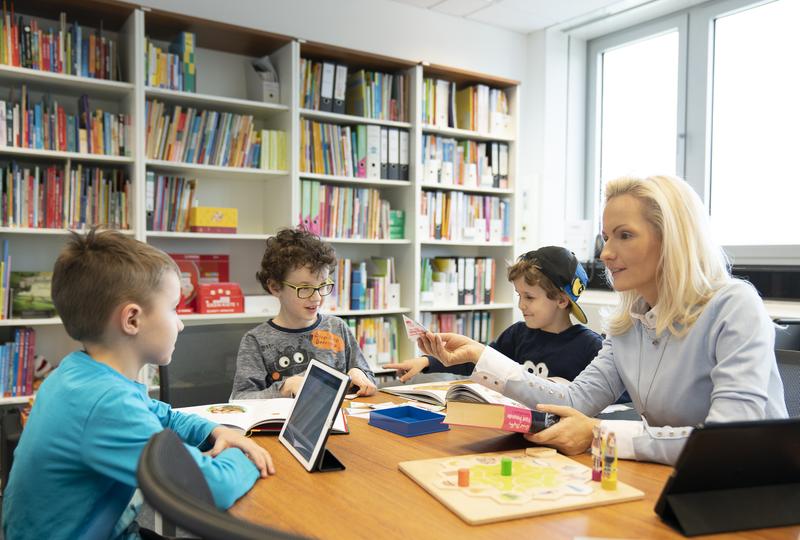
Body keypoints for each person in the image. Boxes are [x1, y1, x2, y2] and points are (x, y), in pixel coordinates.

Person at [418, 175, 787, 465]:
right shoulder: (630, 323)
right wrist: (481, 356)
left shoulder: (734, 306)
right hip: (674, 484)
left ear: (672, 238)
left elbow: (729, 441)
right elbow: (576, 399)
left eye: (625, 235)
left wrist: (600, 435)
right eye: (607, 236)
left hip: (754, 496)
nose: (607, 253)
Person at [2, 229, 274, 540]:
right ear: (132, 320)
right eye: (173, 308)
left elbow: (162, 414)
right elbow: (212, 489)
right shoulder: (105, 403)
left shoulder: (79, 371)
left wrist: (216, 431)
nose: (180, 323)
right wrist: (248, 452)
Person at [385, 246, 602, 385]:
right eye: (519, 295)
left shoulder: (590, 346)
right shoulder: (518, 334)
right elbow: (477, 361)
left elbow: (616, 399)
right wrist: (426, 362)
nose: (521, 305)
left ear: (562, 300)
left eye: (529, 297)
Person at [231, 228, 377, 399]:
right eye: (305, 288)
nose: (316, 297)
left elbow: (369, 378)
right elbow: (240, 399)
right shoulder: (256, 340)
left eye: (322, 286)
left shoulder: (337, 328)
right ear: (275, 287)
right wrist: (284, 388)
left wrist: (358, 373)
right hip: (283, 424)